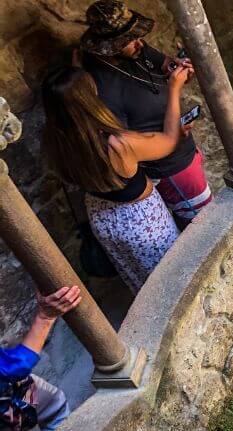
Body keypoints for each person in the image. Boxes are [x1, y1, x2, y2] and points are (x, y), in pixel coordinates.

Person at [42, 65, 185, 293]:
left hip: (103, 218)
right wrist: (174, 89)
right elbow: (169, 140)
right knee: (172, 282)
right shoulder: (118, 144)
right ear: (88, 99)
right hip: (141, 222)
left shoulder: (56, 142)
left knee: (142, 283)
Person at [79, 0, 212, 226]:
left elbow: (163, 64)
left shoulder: (136, 51)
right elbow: (123, 147)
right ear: (110, 46)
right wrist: (174, 89)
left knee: (202, 212)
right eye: (129, 40)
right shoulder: (102, 87)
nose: (139, 43)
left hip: (183, 151)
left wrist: (176, 66)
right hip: (169, 166)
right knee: (204, 223)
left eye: (136, 35)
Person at [0, 287, 82, 431]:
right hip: (13, 393)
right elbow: (16, 366)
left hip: (14, 393)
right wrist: (45, 317)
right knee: (55, 408)